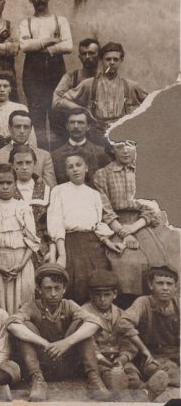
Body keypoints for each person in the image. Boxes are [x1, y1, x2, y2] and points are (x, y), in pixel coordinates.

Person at [6, 263, 111, 401]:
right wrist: (43, 342)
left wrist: (66, 343)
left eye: (57, 288)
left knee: (84, 324)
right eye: (48, 289)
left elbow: (95, 323)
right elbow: (12, 325)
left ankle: (94, 380)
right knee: (24, 325)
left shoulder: (69, 305)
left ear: (64, 289)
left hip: (66, 363)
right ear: (39, 289)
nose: (53, 294)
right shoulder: (31, 306)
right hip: (42, 364)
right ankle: (38, 381)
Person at [93, 140, 179, 301]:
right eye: (119, 146)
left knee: (164, 256)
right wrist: (124, 233)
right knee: (128, 262)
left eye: (130, 145)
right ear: (112, 149)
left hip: (144, 223)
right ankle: (130, 304)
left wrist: (133, 228)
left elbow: (152, 206)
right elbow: (105, 209)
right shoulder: (102, 174)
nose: (125, 150)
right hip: (116, 225)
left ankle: (162, 305)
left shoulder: (145, 171)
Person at [47, 153, 117, 304]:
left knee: (98, 276)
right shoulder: (59, 191)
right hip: (69, 241)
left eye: (78, 165)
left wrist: (107, 241)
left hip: (92, 243)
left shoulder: (94, 194)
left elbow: (97, 224)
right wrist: (61, 254)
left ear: (86, 168)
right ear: (66, 171)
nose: (75, 170)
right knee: (74, 279)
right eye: (70, 167)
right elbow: (56, 222)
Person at [81, 270, 161, 400]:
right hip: (98, 360)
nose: (102, 299)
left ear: (115, 294)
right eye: (98, 295)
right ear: (91, 295)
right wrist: (103, 360)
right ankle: (125, 394)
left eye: (107, 294)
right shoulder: (84, 312)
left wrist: (123, 358)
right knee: (109, 376)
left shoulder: (121, 313)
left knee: (133, 377)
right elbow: (88, 343)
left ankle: (144, 392)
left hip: (118, 357)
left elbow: (129, 342)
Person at [58, 42, 149, 146]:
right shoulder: (89, 84)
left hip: (120, 136)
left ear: (121, 61)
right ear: (101, 60)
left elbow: (153, 103)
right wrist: (83, 110)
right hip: (96, 136)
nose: (112, 63)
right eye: (108, 59)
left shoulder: (129, 85)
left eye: (115, 59)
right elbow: (61, 101)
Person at [19, 0, 73, 151]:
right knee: (37, 119)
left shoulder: (60, 20)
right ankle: (41, 158)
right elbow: (24, 47)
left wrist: (42, 48)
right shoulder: (26, 23)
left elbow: (68, 46)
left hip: (55, 73)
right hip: (33, 75)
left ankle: (60, 160)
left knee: (58, 116)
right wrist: (50, 41)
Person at [0, 164, 39, 314]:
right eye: (1, 183)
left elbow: (32, 241)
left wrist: (21, 264)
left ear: (15, 184)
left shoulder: (23, 207)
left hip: (21, 262)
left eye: (9, 183)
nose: (5, 187)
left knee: (22, 300)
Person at [116, 265, 180, 396]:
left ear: (175, 287)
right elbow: (123, 323)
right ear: (151, 285)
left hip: (175, 354)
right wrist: (144, 349)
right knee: (155, 369)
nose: (165, 288)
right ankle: (147, 384)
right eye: (160, 283)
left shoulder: (178, 304)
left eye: (169, 284)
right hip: (152, 355)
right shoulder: (143, 302)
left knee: (172, 369)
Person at [0, 110, 56, 187]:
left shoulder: (44, 156)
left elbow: (50, 187)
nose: (22, 131)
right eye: (17, 127)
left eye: (26, 127)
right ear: (9, 128)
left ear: (30, 129)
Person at [9, 145, 51, 266]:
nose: (24, 167)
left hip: (42, 249)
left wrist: (52, 251)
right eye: (19, 163)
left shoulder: (46, 190)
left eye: (28, 163)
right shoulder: (5, 191)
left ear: (35, 164)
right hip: (15, 249)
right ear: (12, 165)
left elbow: (52, 226)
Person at [0, 71, 36, 152]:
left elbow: (30, 135)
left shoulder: (20, 108)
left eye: (5, 86)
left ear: (10, 89)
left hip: (17, 150)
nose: (2, 90)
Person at [51, 107, 111, 185]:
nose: (76, 126)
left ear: (88, 127)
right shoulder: (55, 155)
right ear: (67, 126)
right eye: (72, 122)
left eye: (80, 122)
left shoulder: (101, 153)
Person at [51, 38, 100, 111]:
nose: (87, 57)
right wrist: (78, 108)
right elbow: (56, 101)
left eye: (91, 53)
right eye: (84, 54)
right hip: (76, 119)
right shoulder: (71, 77)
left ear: (99, 56)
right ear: (80, 57)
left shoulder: (104, 78)